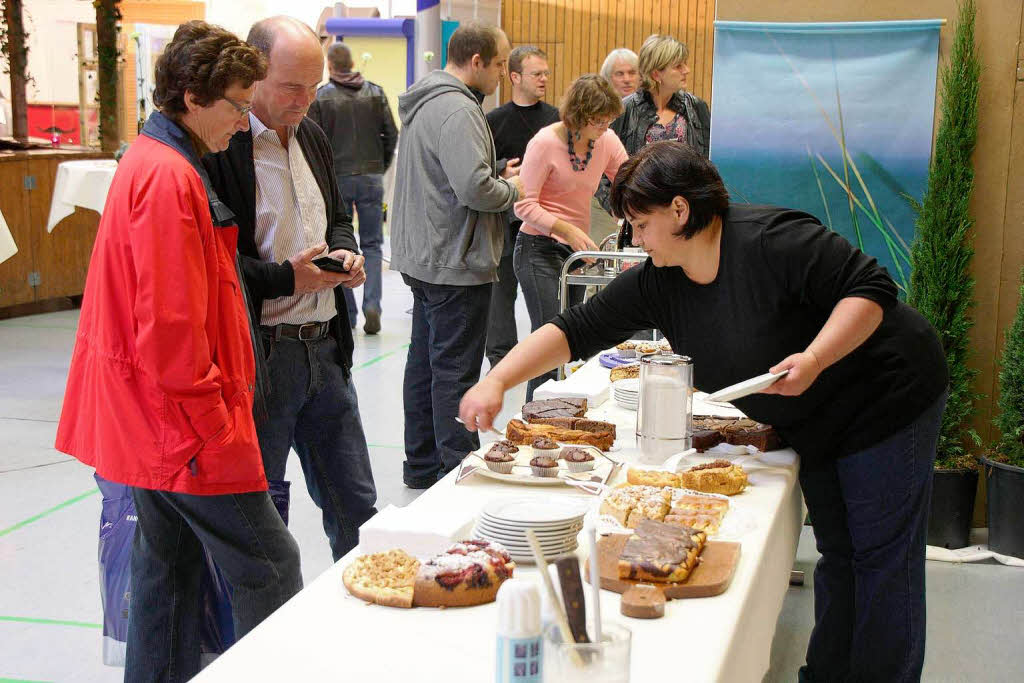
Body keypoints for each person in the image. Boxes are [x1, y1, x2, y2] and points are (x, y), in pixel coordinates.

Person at [460, 141, 949, 683]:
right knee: (840, 551)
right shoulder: (661, 280)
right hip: (815, 416)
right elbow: (576, 329)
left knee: (881, 559)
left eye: (640, 224)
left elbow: (871, 290)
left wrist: (814, 357)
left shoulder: (772, 241)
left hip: (885, 392)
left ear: (679, 209)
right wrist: (498, 379)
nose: (636, 240)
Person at [55, 21, 303, 681]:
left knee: (166, 574)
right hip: (182, 427)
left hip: (154, 423)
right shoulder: (168, 178)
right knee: (270, 567)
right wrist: (213, 424)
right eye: (236, 106)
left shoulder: (155, 159)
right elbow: (170, 332)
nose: (244, 123)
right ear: (193, 97)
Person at [203, 16, 377, 562]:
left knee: (357, 508)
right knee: (263, 515)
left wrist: (345, 251)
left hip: (326, 345)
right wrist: (287, 278)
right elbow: (216, 264)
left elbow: (337, 217)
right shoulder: (223, 147)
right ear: (252, 76)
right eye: (290, 87)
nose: (305, 99)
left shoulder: (314, 135)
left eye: (313, 85)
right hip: (264, 356)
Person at [390, 22, 521, 488]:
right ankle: (455, 475)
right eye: (502, 64)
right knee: (455, 373)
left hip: (426, 256)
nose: (504, 74)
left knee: (425, 364)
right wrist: (512, 187)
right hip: (454, 261)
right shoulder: (459, 110)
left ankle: (423, 466)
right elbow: (475, 190)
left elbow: (450, 176)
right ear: (477, 61)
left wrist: (492, 173)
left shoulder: (426, 102)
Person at [512, 74, 626, 400]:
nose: (604, 127)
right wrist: (566, 228)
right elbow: (523, 204)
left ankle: (561, 416)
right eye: (598, 121)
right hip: (537, 249)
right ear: (578, 115)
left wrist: (633, 213)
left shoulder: (605, 140)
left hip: (575, 255)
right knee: (549, 341)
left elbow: (628, 178)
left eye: (608, 120)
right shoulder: (544, 143)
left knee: (569, 341)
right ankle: (534, 422)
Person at [308, 42, 398, 335]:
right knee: (372, 244)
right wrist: (379, 167)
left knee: (341, 244)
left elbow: (313, 142)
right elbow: (391, 134)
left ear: (331, 67)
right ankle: (374, 304)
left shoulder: (321, 98)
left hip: (337, 179)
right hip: (371, 176)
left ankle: (348, 311)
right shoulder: (375, 92)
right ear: (351, 63)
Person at [484, 45, 560, 369]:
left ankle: (545, 365)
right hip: (503, 226)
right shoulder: (492, 121)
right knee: (499, 306)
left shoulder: (556, 120)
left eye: (546, 73)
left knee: (546, 309)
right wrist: (503, 170)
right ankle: (502, 369)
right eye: (537, 73)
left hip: (543, 228)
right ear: (514, 77)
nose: (544, 78)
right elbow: (477, 168)